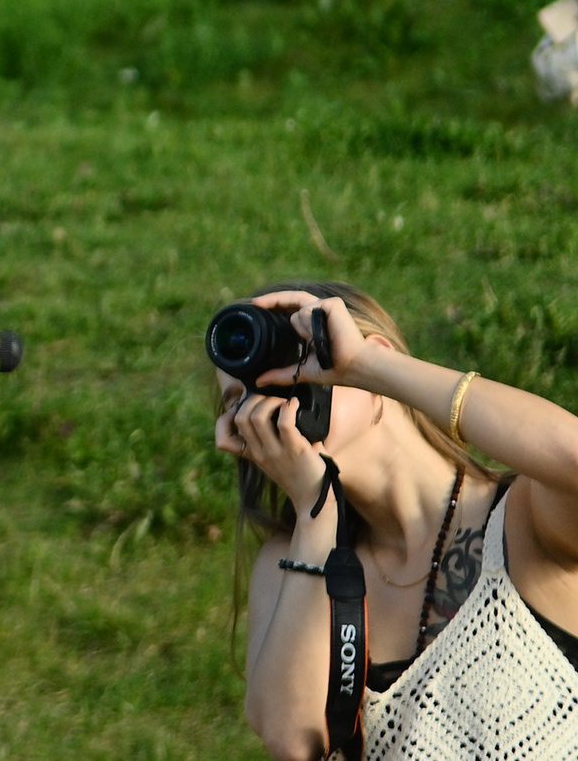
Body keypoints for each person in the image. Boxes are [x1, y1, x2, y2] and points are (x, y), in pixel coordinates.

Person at [215, 281, 578, 759]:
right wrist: (315, 512)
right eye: (242, 400)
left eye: (291, 370)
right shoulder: (290, 564)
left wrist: (367, 367)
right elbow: (292, 740)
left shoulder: (525, 521)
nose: (271, 405)